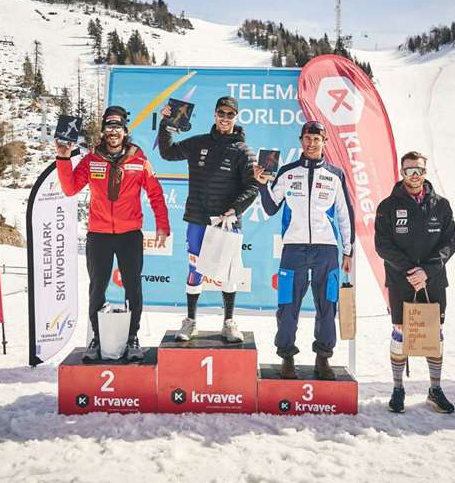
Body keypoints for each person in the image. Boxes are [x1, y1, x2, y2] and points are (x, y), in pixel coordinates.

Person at [56, 105, 170, 362]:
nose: (113, 132)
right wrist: (63, 159)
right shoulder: (91, 160)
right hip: (99, 235)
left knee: (133, 288)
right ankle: (97, 338)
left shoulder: (139, 160)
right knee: (97, 288)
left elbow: (155, 194)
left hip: (130, 235)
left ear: (125, 131)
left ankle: (132, 338)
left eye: (118, 127)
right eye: (109, 127)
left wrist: (162, 225)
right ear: (103, 131)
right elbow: (70, 188)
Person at [254, 121, 354, 380]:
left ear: (324, 142)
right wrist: (261, 185)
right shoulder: (287, 172)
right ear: (301, 140)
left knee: (327, 305)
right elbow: (270, 208)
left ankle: (323, 358)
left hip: (326, 249)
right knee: (288, 304)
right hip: (294, 249)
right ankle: (287, 357)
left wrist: (348, 250)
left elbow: (345, 214)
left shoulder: (335, 175)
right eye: (307, 138)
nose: (311, 143)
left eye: (316, 139)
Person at [158, 96, 258, 342]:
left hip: (226, 222)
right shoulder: (198, 142)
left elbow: (253, 185)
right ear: (214, 115)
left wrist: (235, 209)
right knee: (195, 269)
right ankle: (190, 321)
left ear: (236, 117)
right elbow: (167, 153)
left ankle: (229, 322)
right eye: (221, 113)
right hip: (197, 219)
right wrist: (165, 125)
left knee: (229, 272)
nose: (225, 118)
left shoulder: (244, 151)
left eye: (230, 114)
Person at [374, 151, 455, 413]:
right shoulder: (387, 206)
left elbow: (450, 243)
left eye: (418, 170)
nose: (414, 175)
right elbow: (383, 245)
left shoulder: (441, 205)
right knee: (400, 334)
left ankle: (435, 389)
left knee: (433, 333)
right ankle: (398, 388)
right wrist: (412, 271)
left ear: (425, 172)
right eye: (409, 170)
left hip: (433, 281)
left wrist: (427, 271)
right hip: (401, 281)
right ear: (402, 173)